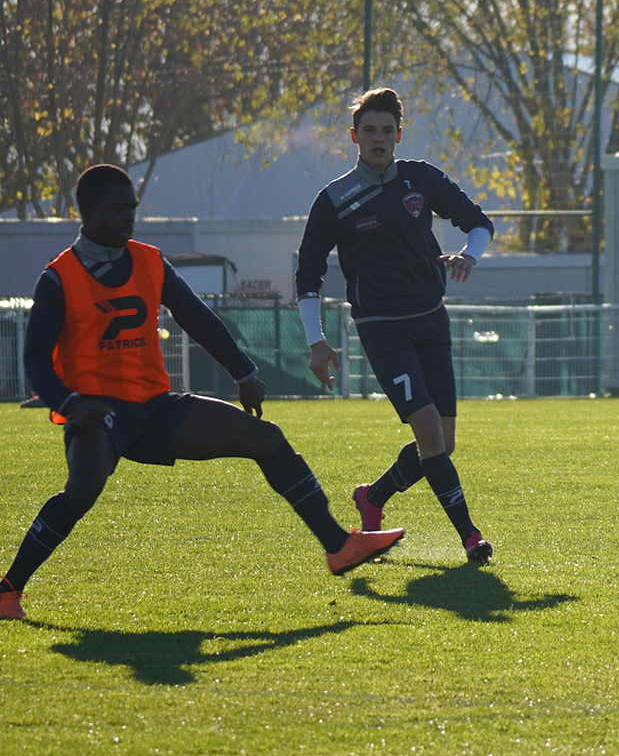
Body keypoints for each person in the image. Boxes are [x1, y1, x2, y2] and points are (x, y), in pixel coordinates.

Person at [0, 165, 406, 621]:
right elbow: (34, 358)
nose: (128, 218)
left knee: (266, 438)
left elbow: (196, 316)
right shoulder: (58, 278)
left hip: (154, 408)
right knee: (83, 488)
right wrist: (71, 404)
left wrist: (243, 372)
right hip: (98, 413)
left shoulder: (150, 260)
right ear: (88, 212)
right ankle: (8, 588)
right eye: (117, 210)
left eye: (132, 209)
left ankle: (338, 545)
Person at [295, 88, 496, 562]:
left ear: (399, 135)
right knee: (428, 432)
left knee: (442, 443)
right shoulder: (334, 199)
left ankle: (373, 497)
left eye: (387, 130)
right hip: (383, 328)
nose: (379, 138)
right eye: (370, 131)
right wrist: (316, 341)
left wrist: (470, 255)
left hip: (431, 321)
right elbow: (307, 274)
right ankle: (470, 536)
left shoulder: (421, 179)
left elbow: (479, 222)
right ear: (354, 137)